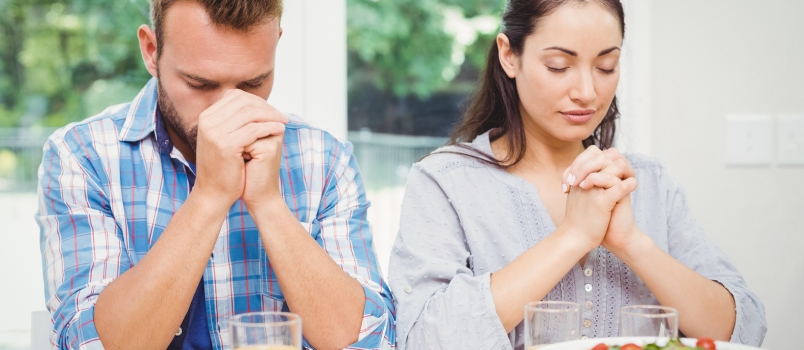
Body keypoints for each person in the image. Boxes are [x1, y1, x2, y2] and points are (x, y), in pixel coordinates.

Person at [388, 0, 766, 349]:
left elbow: (745, 331)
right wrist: (572, 237)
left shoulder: (649, 182)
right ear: (509, 56)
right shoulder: (445, 181)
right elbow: (423, 337)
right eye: (559, 66)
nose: (587, 92)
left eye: (606, 66)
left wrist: (633, 243)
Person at [36, 1, 394, 349]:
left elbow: (371, 341)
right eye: (200, 84)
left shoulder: (325, 157)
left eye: (254, 83)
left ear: (276, 46)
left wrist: (268, 204)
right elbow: (89, 343)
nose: (228, 110)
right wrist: (210, 195)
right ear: (151, 50)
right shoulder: (83, 156)